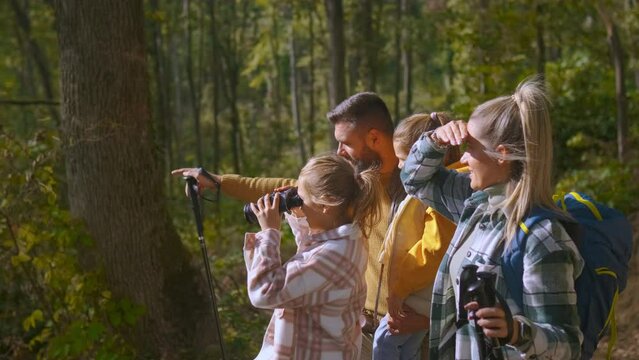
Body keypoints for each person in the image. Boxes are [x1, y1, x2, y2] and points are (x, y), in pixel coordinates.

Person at [172, 92, 428, 359]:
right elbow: (279, 188)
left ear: (374, 138)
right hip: (353, 332)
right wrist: (220, 181)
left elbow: (448, 261)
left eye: (345, 143)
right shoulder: (347, 190)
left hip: (399, 336)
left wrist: (426, 321)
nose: (339, 151)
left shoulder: (419, 192)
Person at [400, 79, 584, 359]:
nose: (463, 157)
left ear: (502, 155)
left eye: (471, 148)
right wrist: (434, 139)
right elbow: (414, 181)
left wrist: (516, 332)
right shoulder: (474, 205)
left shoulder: (542, 237)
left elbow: (569, 345)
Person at [244, 154, 382, 359]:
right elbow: (308, 255)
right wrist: (299, 215)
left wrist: (269, 234)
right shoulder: (349, 239)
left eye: (301, 198)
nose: (297, 201)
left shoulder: (333, 256)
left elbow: (263, 292)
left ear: (325, 205)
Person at [373, 113, 464, 360]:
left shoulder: (444, 197)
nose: (402, 166)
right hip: (422, 293)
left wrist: (400, 288)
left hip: (419, 291)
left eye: (405, 159)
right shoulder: (452, 187)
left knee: (384, 342)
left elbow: (432, 249)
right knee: (408, 349)